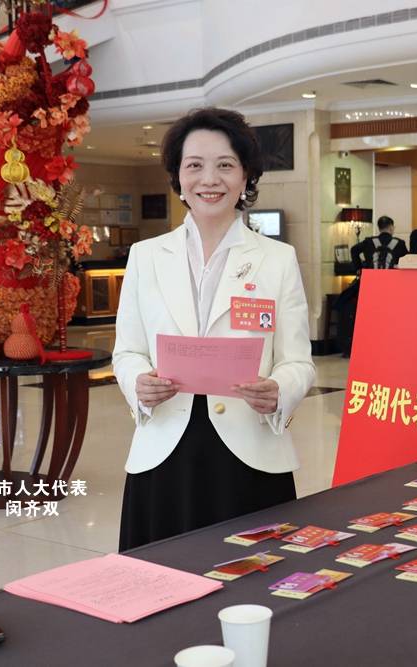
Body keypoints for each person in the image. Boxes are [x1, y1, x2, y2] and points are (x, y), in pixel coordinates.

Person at [113, 107, 316, 551]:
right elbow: (127, 351)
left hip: (250, 455)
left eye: (225, 165)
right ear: (178, 177)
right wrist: (138, 383)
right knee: (163, 574)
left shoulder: (276, 260)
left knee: (253, 576)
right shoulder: (147, 256)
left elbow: (298, 361)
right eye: (194, 166)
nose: (210, 179)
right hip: (164, 450)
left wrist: (280, 390)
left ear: (245, 177)